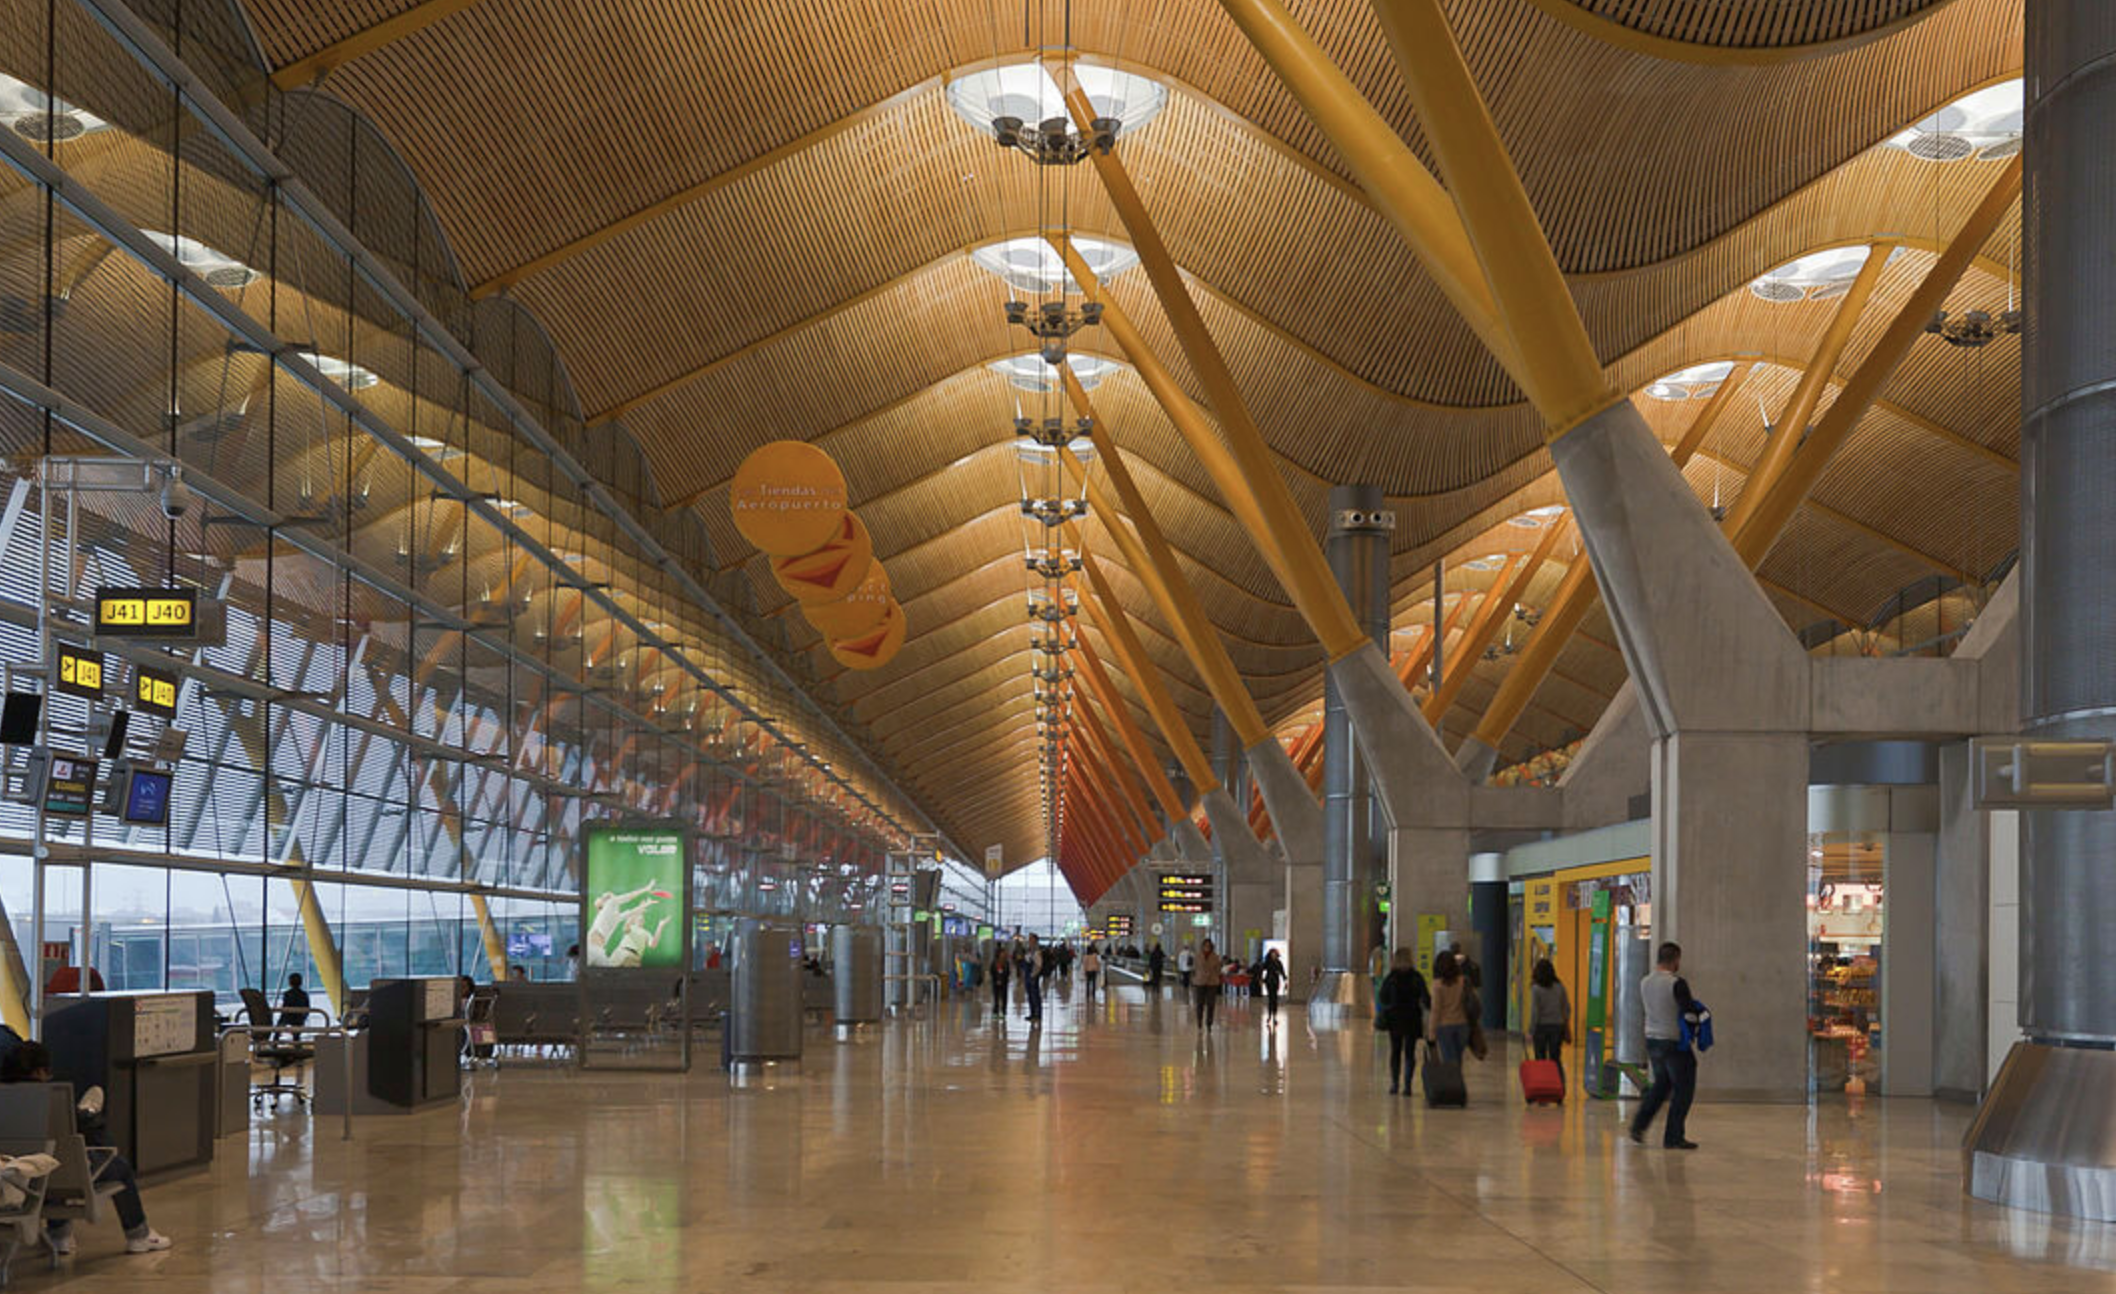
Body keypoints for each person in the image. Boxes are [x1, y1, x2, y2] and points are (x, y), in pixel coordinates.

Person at [1, 1042, 170, 1253]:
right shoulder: (54, 1097)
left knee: (51, 1157)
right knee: (116, 1164)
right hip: (59, 1171)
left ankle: (60, 1234)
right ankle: (139, 1235)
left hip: (16, 1178)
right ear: (39, 1071)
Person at [1631, 941, 1702, 1150]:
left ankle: (1638, 1125)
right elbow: (1689, 1013)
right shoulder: (1676, 983)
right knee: (1684, 1089)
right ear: (1676, 959)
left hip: (1652, 1040)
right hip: (1673, 1041)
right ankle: (1673, 1136)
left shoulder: (1644, 981)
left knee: (1661, 1085)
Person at [1376, 947, 1431, 1095]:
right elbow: (1426, 999)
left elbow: (1382, 997)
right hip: (1412, 1018)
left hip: (1395, 1019)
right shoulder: (1417, 977)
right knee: (1409, 1052)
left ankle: (1395, 1084)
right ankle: (1407, 1086)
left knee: (1395, 1051)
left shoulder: (1391, 978)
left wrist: (1391, 1004)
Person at [1529, 958, 1571, 1087]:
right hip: (1557, 1027)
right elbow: (1566, 1008)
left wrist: (1531, 1031)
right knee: (1555, 1058)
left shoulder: (1536, 989)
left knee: (1540, 1059)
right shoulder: (1560, 987)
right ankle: (1559, 1085)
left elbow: (1535, 1012)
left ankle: (1542, 1085)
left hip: (1541, 1028)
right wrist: (1565, 1023)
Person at [1426, 950, 1470, 1064]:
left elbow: (1436, 1010)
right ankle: (1457, 1075)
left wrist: (1431, 1034)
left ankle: (1454, 1076)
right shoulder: (1463, 981)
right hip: (1463, 1026)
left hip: (1445, 1027)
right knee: (1457, 1061)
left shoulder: (1437, 985)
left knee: (1450, 1062)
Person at [1191, 939, 1222, 1030]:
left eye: (1208, 946)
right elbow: (1194, 968)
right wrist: (1196, 977)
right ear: (1202, 946)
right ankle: (1199, 1021)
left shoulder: (1215, 957)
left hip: (1212, 982)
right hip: (1200, 982)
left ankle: (1209, 1023)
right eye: (1205, 945)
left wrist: (1214, 975)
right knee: (1200, 1003)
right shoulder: (1198, 956)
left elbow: (1218, 969)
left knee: (1211, 1004)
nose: (1207, 947)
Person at [1258, 948, 1287, 1019]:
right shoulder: (1267, 962)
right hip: (1269, 981)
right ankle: (1270, 1014)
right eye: (1272, 954)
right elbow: (1261, 970)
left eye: (1275, 954)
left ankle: (1274, 1015)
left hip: (1275, 981)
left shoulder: (1278, 962)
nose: (1273, 955)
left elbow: (1282, 971)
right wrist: (1261, 979)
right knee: (1271, 998)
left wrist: (1285, 980)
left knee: (1275, 998)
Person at [1022, 935, 1045, 1024]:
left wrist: (1033, 975)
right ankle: (1032, 1013)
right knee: (1030, 995)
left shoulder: (1036, 952)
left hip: (1033, 976)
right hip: (1028, 976)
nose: (1029, 941)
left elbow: (1038, 965)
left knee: (1035, 995)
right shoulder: (1029, 951)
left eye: (1031, 939)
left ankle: (1037, 1014)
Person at [988, 944, 1011, 1016]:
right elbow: (992, 971)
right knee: (996, 997)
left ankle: (1004, 1010)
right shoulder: (994, 962)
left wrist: (1003, 979)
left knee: (1004, 996)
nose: (1003, 954)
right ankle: (996, 1010)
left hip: (1004, 982)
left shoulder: (1006, 963)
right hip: (995, 982)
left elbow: (1008, 972)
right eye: (1002, 953)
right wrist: (996, 979)